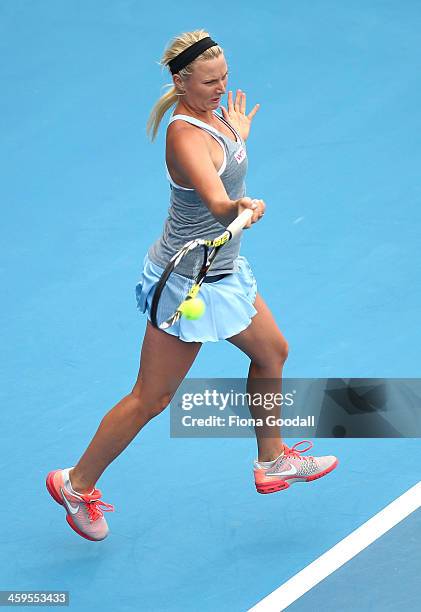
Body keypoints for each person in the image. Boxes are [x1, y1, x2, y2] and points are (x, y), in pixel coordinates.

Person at [46, 30, 338, 542]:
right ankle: (75, 483)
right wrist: (243, 209)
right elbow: (217, 202)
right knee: (151, 399)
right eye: (209, 82)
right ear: (181, 81)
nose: (221, 88)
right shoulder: (183, 135)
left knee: (272, 352)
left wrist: (239, 135)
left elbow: (225, 164)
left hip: (222, 274)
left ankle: (271, 460)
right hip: (187, 284)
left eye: (224, 77)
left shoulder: (218, 114)